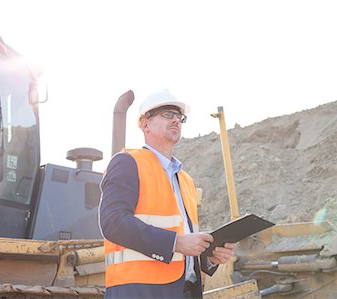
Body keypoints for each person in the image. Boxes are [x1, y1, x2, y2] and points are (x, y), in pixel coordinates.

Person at [99, 89, 236, 299]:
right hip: (139, 292)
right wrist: (176, 243)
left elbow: (184, 239)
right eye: (167, 114)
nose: (176, 121)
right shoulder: (128, 162)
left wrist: (209, 257)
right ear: (145, 124)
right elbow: (113, 222)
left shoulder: (186, 180)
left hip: (186, 290)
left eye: (179, 117)